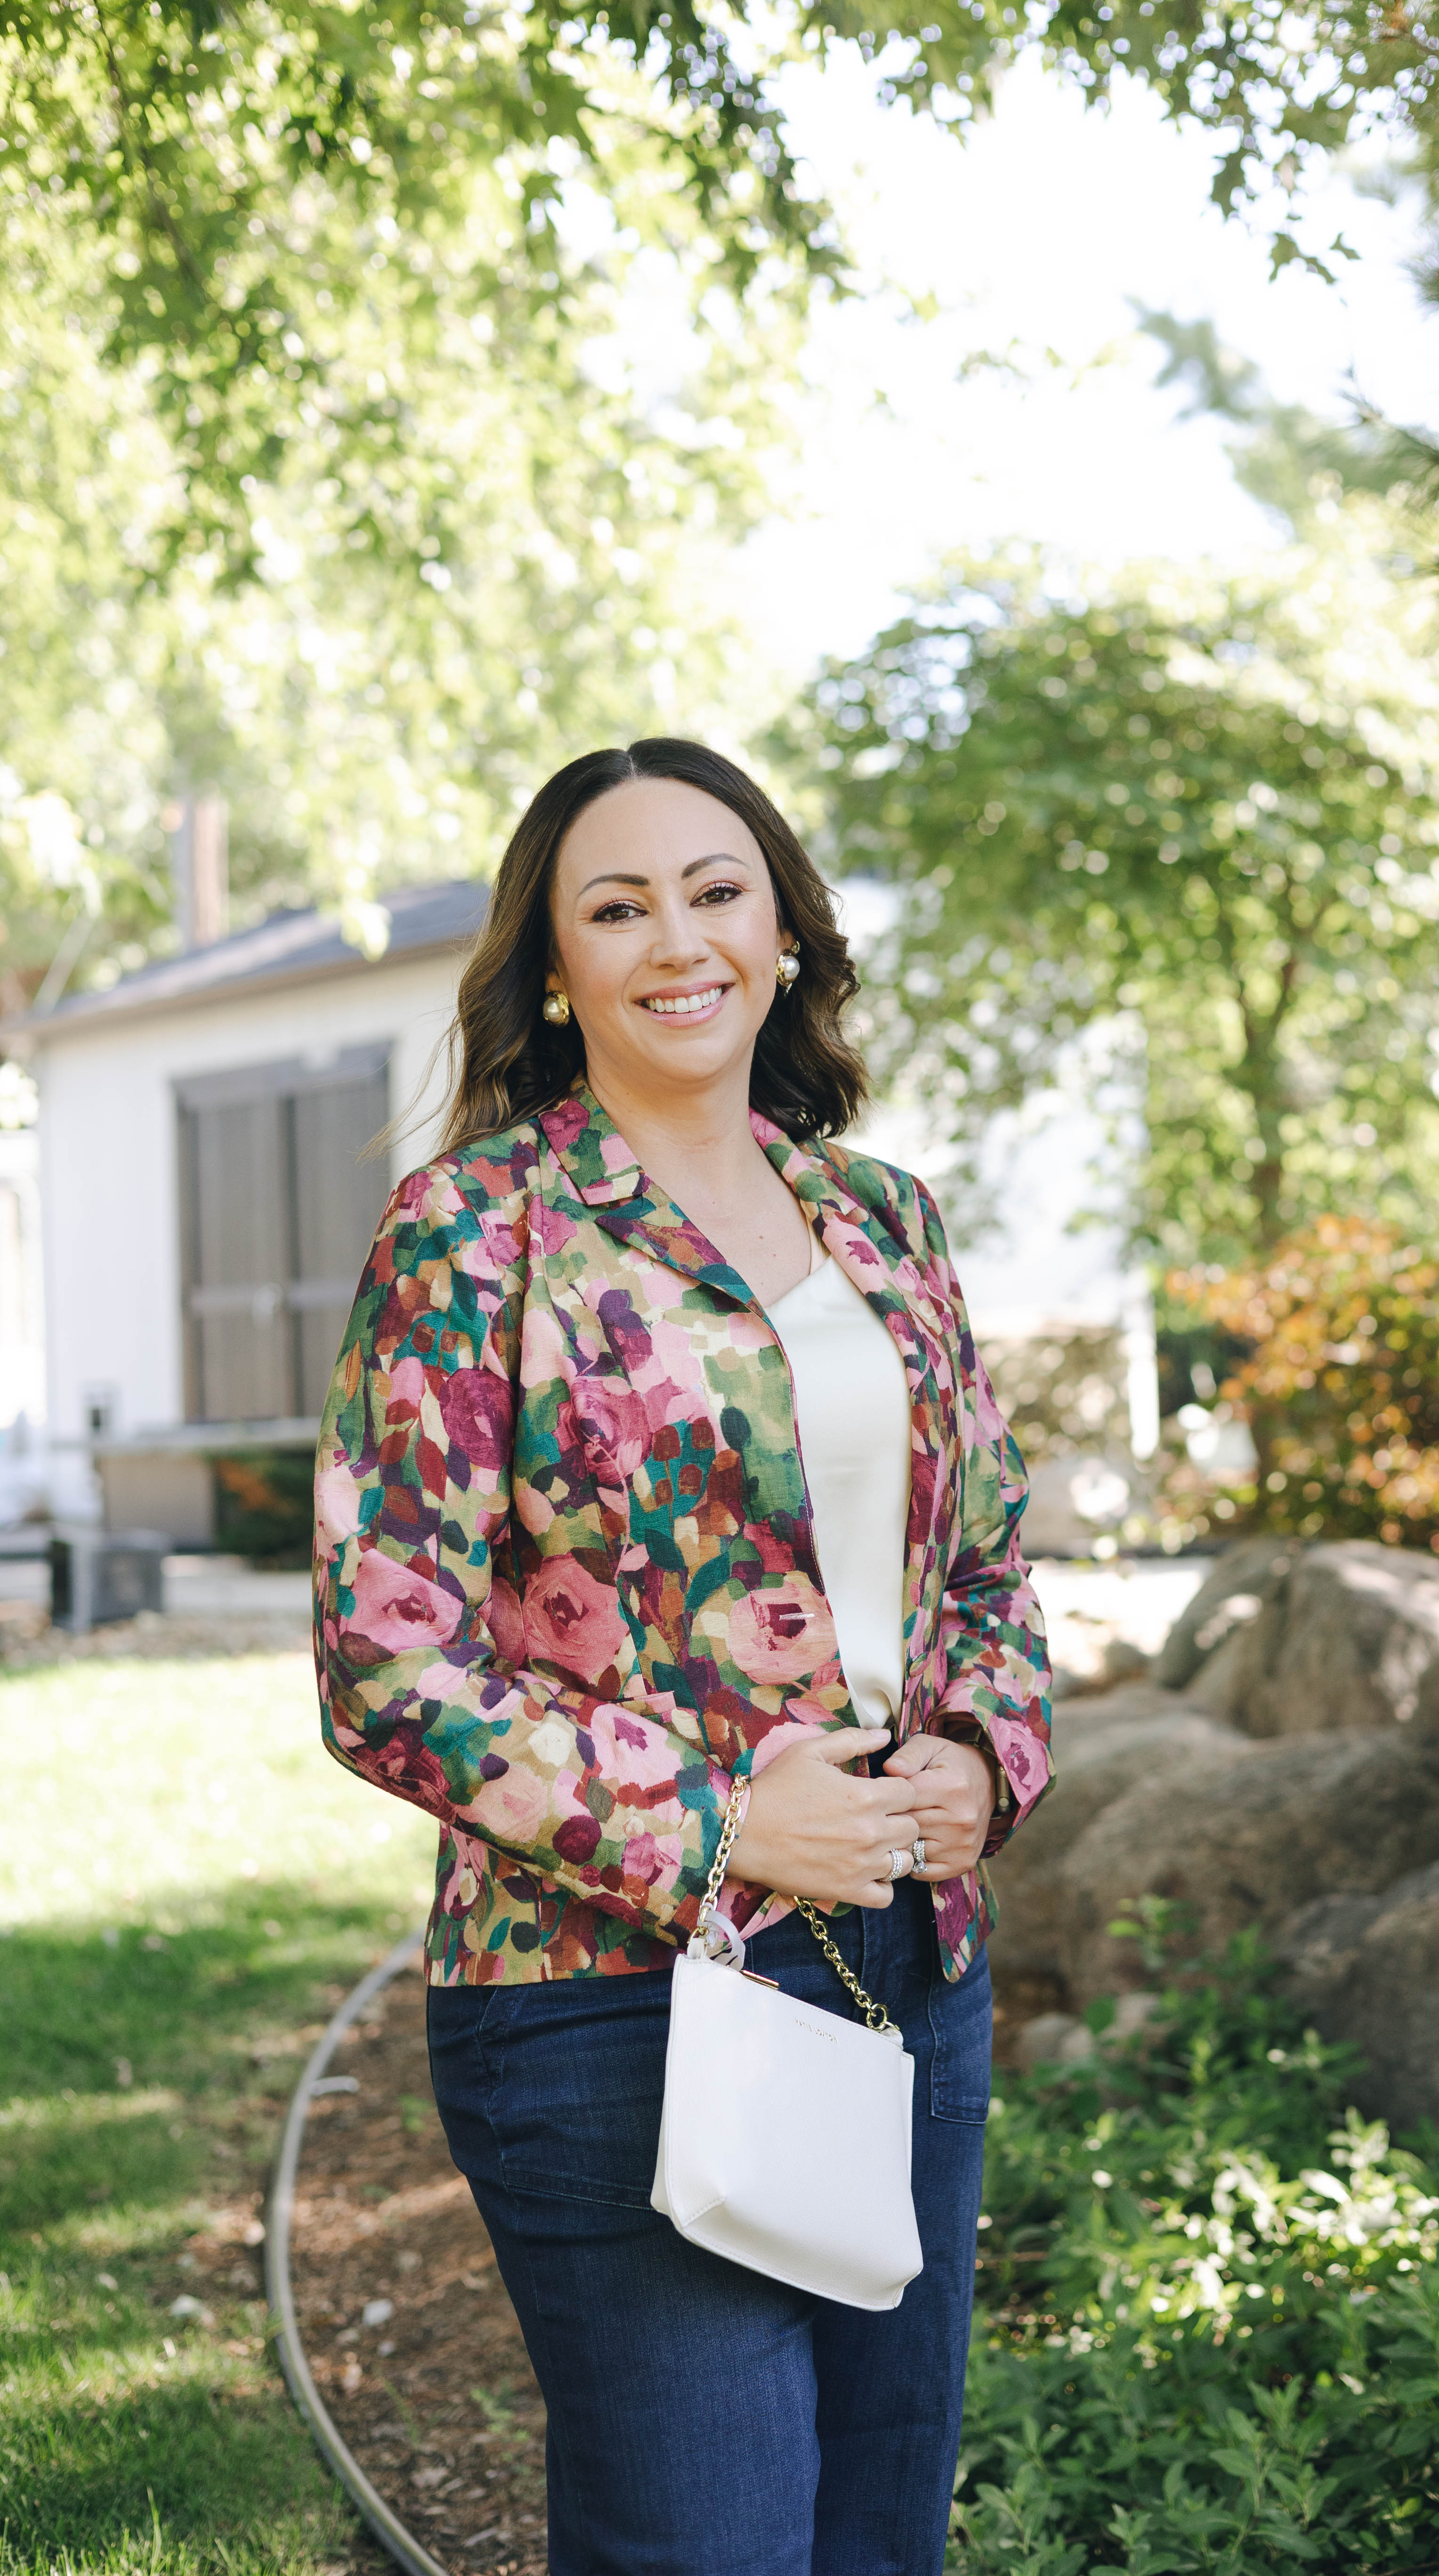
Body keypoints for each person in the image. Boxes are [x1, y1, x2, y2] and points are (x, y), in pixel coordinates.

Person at [312, 738, 1053, 2576]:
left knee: (880, 2538)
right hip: (608, 1994)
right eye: (617, 906)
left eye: (718, 892)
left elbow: (993, 1566)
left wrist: (981, 1756)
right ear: (554, 969)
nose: (678, 940)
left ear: (784, 931)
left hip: (909, 1964)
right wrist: (724, 1821)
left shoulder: (885, 1223)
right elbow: (385, 1662)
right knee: (711, 2546)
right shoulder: (473, 1237)